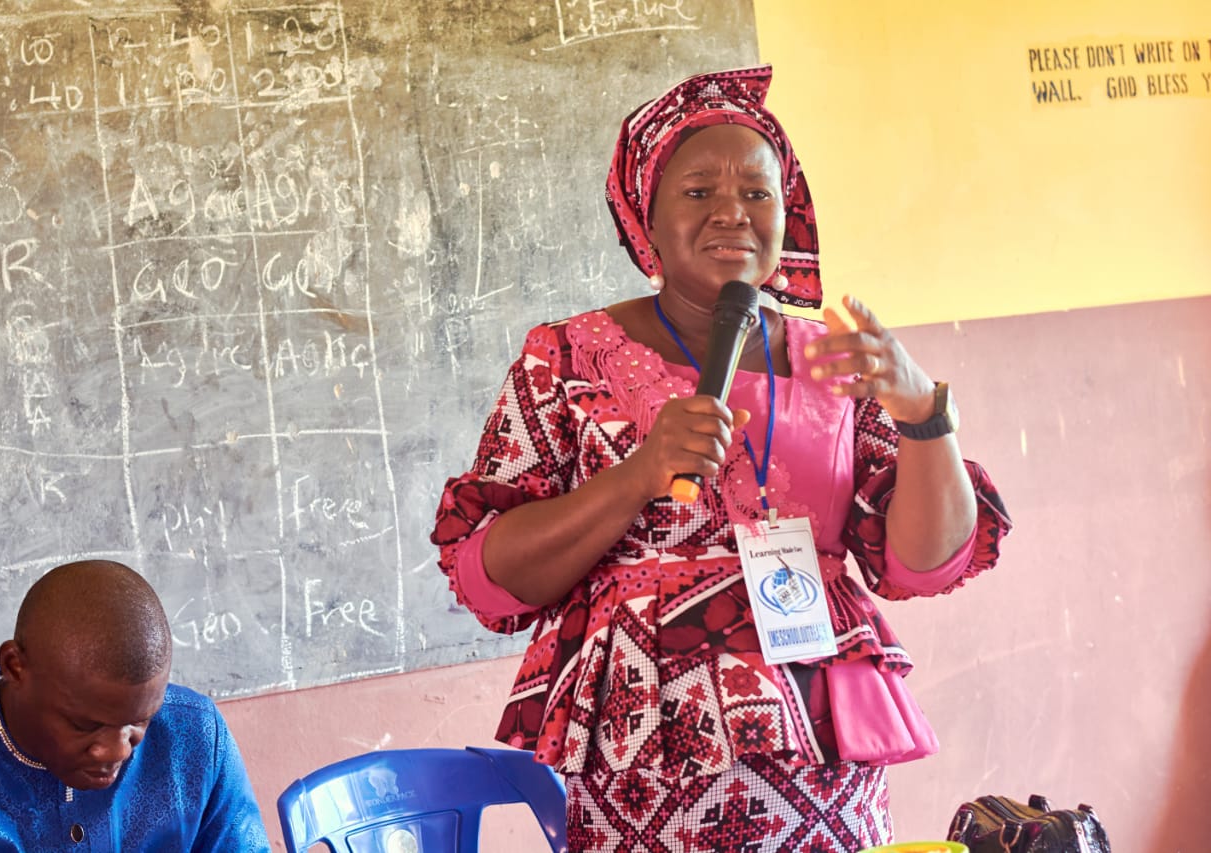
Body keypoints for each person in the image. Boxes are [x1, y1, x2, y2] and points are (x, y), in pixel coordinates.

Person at [432, 64, 1012, 851]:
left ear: (788, 210)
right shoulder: (566, 357)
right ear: (648, 217)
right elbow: (488, 574)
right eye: (699, 192)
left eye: (757, 193)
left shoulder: (836, 360)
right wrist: (638, 474)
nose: (732, 214)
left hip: (824, 767)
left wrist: (924, 419)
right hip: (645, 761)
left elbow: (922, 563)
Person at [0, 559, 272, 851]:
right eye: (84, 725)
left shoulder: (194, 736)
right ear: (15, 666)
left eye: (140, 721)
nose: (117, 751)